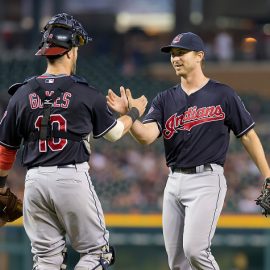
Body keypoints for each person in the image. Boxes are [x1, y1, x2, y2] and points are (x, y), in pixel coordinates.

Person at [106, 32, 270, 270]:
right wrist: (128, 116)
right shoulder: (164, 99)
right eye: (173, 54)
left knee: (195, 251)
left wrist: (267, 175)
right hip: (174, 182)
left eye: (181, 53)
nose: (175, 58)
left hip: (207, 179)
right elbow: (146, 136)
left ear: (199, 56)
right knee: (177, 264)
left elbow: (247, 134)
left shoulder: (223, 94)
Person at [0, 13, 147, 270]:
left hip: (34, 182)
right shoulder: (84, 92)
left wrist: (1, 187)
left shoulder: (20, 94)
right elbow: (113, 133)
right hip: (70, 178)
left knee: (46, 260)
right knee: (98, 254)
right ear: (69, 51)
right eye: (77, 47)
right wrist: (132, 113)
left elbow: (5, 151)